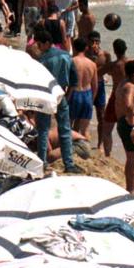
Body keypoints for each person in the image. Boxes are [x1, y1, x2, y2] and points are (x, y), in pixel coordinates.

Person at [34, 29, 82, 173]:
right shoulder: (66, 56)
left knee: (43, 130)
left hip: (45, 96)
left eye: (39, 45)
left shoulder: (42, 61)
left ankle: (42, 162)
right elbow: (74, 81)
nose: (38, 48)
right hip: (61, 94)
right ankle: (69, 163)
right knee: (65, 129)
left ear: (47, 43)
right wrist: (67, 96)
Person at [115, 59, 134, 194]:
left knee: (131, 158)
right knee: (133, 159)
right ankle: (130, 189)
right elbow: (128, 105)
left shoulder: (123, 83)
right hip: (128, 123)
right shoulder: (130, 87)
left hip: (123, 122)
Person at [69, 37, 97, 139]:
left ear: (74, 48)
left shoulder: (71, 61)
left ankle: (70, 151)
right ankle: (85, 153)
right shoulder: (92, 64)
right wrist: (91, 100)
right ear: (86, 48)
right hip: (87, 95)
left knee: (68, 127)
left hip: (74, 94)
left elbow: (67, 82)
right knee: (84, 131)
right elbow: (95, 86)